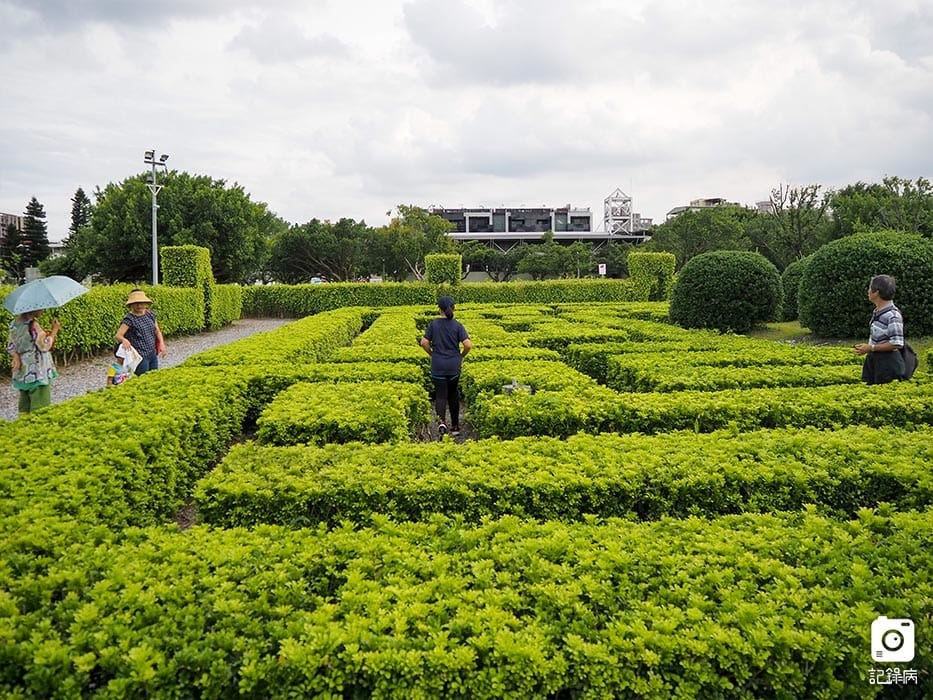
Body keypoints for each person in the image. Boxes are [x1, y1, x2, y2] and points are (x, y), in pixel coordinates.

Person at [420, 295, 472, 437]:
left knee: (441, 395)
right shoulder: (457, 325)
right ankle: (455, 426)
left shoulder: (433, 325)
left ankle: (442, 423)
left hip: (438, 364)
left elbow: (424, 342)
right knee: (453, 393)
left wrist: (431, 353)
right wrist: (461, 356)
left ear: (439, 309)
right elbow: (468, 345)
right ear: (454, 308)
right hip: (453, 365)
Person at [853, 274, 906, 384]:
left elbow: (897, 343)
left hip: (887, 364)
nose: (868, 291)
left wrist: (871, 348)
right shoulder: (878, 311)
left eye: (869, 288)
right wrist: (868, 348)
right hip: (874, 360)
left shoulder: (892, 315)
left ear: (876, 292)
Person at [7, 309, 60, 414]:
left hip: (23, 369)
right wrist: (54, 331)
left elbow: (11, 346)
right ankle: (38, 423)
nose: (43, 311)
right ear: (33, 309)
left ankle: (23, 423)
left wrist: (16, 357)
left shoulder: (14, 324)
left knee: (25, 403)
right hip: (37, 368)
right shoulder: (33, 325)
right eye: (41, 309)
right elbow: (44, 346)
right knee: (40, 403)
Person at [115, 289, 167, 376]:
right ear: (131, 305)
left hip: (152, 353)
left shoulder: (150, 314)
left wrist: (162, 344)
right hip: (140, 356)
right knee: (143, 378)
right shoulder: (129, 319)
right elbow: (118, 335)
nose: (139, 305)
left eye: (141, 303)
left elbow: (157, 330)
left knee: (154, 377)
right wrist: (124, 340)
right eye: (136, 303)